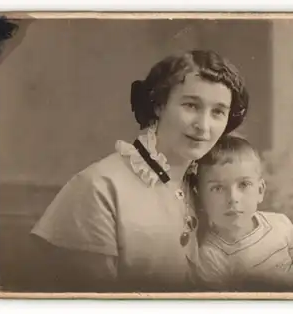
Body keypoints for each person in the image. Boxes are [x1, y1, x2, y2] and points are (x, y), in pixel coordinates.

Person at [29, 50, 249, 292]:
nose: (203, 126)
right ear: (159, 105)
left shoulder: (210, 187)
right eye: (190, 105)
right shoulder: (99, 187)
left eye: (218, 112)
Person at [193, 134, 293, 291]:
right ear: (200, 196)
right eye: (217, 188)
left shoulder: (279, 224)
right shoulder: (210, 255)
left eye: (244, 184)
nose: (233, 198)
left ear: (260, 191)